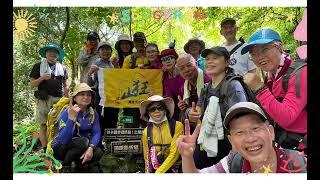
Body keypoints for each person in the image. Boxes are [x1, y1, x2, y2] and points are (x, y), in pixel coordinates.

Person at [177, 102, 307, 173]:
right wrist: (187, 156)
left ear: (271, 132)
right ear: (231, 141)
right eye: (239, 132)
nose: (250, 138)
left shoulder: (300, 164)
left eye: (255, 129)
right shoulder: (233, 163)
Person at [242, 28, 307, 151]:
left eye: (265, 49)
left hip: (302, 150)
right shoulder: (271, 77)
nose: (259, 57)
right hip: (285, 144)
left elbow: (286, 118)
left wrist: (259, 89)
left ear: (279, 47)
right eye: (253, 54)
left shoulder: (301, 73)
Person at [186, 46, 248, 169]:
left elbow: (241, 117)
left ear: (227, 62)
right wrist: (191, 113)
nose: (209, 62)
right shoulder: (206, 87)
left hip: (228, 142)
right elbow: (197, 110)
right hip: (208, 139)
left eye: (215, 58)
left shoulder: (233, 86)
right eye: (207, 59)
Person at [51, 83, 103, 173]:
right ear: (75, 98)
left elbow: (97, 132)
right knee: (83, 142)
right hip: (61, 148)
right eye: (82, 94)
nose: (86, 97)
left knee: (98, 151)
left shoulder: (92, 113)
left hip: (80, 147)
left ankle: (80, 166)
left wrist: (91, 148)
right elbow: (63, 140)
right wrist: (71, 119)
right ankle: (65, 166)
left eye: (88, 95)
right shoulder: (67, 112)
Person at [30, 43, 69, 153]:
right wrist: (42, 78)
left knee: (57, 124)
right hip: (43, 99)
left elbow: (65, 86)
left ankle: (54, 147)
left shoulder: (63, 68)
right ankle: (44, 148)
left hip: (59, 100)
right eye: (50, 51)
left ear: (58, 55)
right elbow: (32, 84)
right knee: (43, 124)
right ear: (46, 54)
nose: (52, 53)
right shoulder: (38, 66)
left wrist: (69, 99)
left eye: (55, 52)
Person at [139, 95, 184, 173]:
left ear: (165, 110)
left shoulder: (177, 126)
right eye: (152, 109)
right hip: (156, 167)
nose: (157, 111)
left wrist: (158, 173)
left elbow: (174, 154)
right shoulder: (146, 132)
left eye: (160, 107)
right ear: (148, 113)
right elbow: (147, 157)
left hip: (175, 169)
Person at [87, 41, 119, 132]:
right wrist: (90, 72)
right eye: (103, 49)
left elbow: (119, 79)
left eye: (108, 49)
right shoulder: (96, 63)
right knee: (99, 120)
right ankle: (99, 143)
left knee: (113, 120)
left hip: (114, 97)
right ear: (99, 52)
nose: (105, 51)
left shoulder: (114, 63)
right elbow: (90, 83)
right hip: (100, 97)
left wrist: (116, 66)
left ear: (111, 52)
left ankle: (111, 142)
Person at [122, 32, 150, 128]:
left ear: (145, 41)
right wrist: (135, 70)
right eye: (137, 42)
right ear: (134, 43)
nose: (139, 44)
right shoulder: (128, 58)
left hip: (147, 100)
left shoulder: (151, 57)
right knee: (129, 126)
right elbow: (122, 76)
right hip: (130, 99)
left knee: (148, 126)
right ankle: (129, 143)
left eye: (141, 41)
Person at [176, 53, 211, 123]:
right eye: (182, 68)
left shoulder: (209, 81)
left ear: (196, 64)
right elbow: (184, 114)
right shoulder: (183, 89)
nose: (186, 70)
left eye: (189, 65)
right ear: (179, 72)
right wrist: (184, 109)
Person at [159, 48, 185, 121]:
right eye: (164, 59)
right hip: (173, 108)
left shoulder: (183, 72)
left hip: (186, 104)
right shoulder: (164, 76)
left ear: (175, 59)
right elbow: (168, 95)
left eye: (170, 58)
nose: (168, 61)